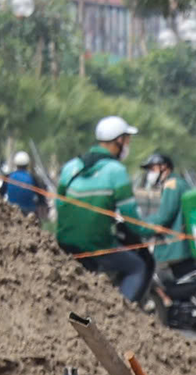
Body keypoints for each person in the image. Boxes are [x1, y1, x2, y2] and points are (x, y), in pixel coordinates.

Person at [55, 116, 148, 301]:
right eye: (127, 140)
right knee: (137, 267)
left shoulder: (71, 167)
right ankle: (122, 314)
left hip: (64, 242)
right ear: (118, 141)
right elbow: (132, 220)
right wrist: (153, 229)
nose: (128, 145)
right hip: (97, 245)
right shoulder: (116, 171)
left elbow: (59, 204)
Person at [140, 152, 190, 269]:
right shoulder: (178, 182)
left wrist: (140, 223)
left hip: (176, 248)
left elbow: (163, 217)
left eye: (152, 169)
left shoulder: (172, 184)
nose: (150, 173)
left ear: (164, 167)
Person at [1, 151, 45, 218]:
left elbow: (1, 193)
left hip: (12, 211)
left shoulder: (8, 177)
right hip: (29, 212)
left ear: (16, 164)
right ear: (27, 164)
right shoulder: (32, 178)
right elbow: (41, 197)